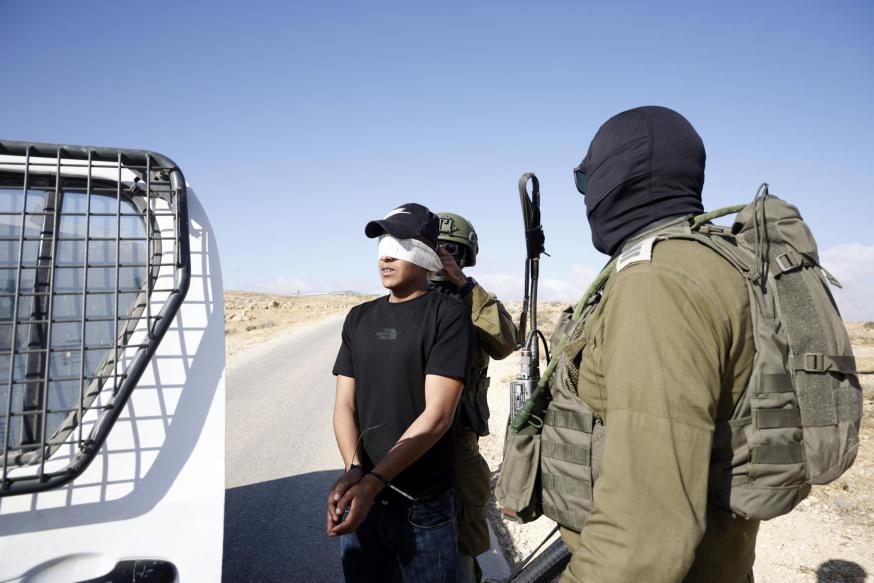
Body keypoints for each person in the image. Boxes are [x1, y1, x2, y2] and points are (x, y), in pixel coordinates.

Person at [542, 106, 759, 582]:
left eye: (587, 181)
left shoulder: (657, 282)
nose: (586, 199)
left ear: (619, 177)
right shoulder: (705, 260)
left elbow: (644, 534)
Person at [327, 202, 474, 583]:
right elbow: (344, 404)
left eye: (400, 243)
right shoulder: (358, 318)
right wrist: (354, 470)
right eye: (382, 244)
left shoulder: (448, 316)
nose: (386, 255)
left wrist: (373, 482)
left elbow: (437, 416)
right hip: (363, 502)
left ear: (426, 255)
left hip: (422, 507)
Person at [429, 212, 517, 582]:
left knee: (467, 532)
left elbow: (506, 343)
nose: (442, 256)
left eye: (451, 250)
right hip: (406, 440)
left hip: (459, 440)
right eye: (435, 250)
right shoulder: (404, 300)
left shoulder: (474, 302)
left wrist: (464, 286)